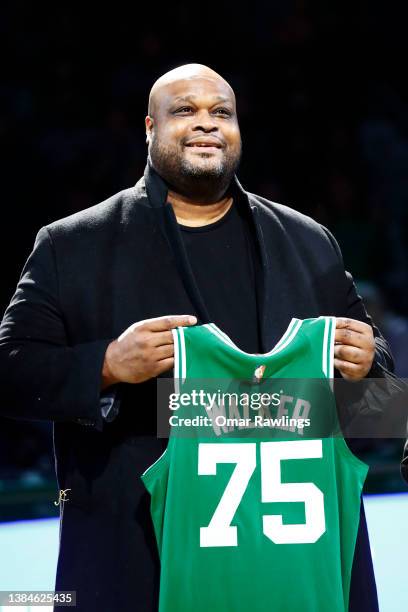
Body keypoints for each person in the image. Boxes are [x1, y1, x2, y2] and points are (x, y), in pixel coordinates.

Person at [0, 64, 393, 611]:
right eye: (184, 111)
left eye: (222, 113)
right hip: (139, 561)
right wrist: (107, 365)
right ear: (149, 127)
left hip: (298, 563)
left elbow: (380, 411)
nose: (206, 124)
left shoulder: (309, 242)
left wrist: (365, 370)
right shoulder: (73, 245)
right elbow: (11, 371)